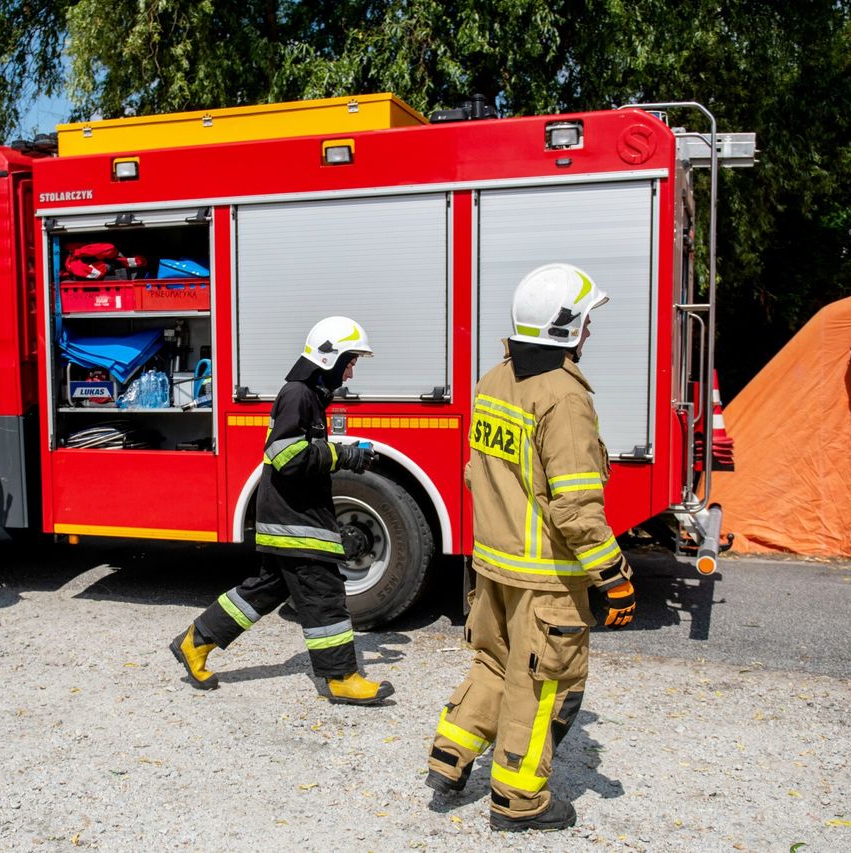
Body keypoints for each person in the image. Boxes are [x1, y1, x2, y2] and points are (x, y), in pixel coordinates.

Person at [424, 264, 636, 832]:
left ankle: (450, 757)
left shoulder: (494, 379)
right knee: (543, 687)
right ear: (566, 326)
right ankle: (519, 802)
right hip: (547, 579)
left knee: (493, 663)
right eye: (586, 322)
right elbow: (574, 508)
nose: (589, 333)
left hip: (493, 567)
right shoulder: (564, 398)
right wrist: (613, 576)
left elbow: (478, 475)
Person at [170, 316, 394, 705]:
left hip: (288, 512)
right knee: (324, 591)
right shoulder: (299, 395)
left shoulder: (308, 395)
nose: (352, 371)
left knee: (265, 589)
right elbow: (284, 454)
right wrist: (344, 455)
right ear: (330, 358)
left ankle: (196, 641)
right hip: (296, 517)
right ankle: (341, 677)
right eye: (351, 360)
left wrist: (341, 452)